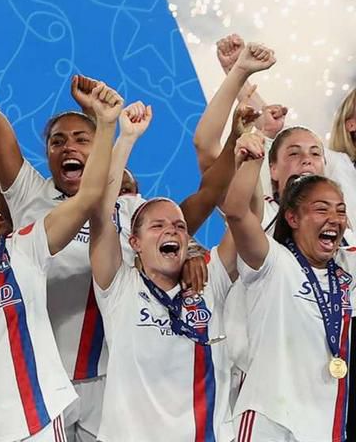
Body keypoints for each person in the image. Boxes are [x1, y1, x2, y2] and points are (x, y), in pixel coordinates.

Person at [0, 71, 121, 441]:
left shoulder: (24, 249)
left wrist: (109, 125)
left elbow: (89, 196)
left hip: (50, 410)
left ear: (1, 217)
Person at [88, 106, 243, 442]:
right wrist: (126, 138)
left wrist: (242, 149)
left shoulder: (209, 277)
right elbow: (100, 209)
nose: (170, 232)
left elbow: (241, 218)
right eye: (157, 226)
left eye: (179, 226)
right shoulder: (119, 287)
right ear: (135, 243)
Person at [223, 138, 353, 441]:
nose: (334, 218)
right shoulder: (273, 262)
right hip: (270, 420)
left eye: (340, 211)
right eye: (321, 209)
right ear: (292, 217)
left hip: (324, 426)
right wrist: (252, 161)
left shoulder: (347, 270)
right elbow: (237, 213)